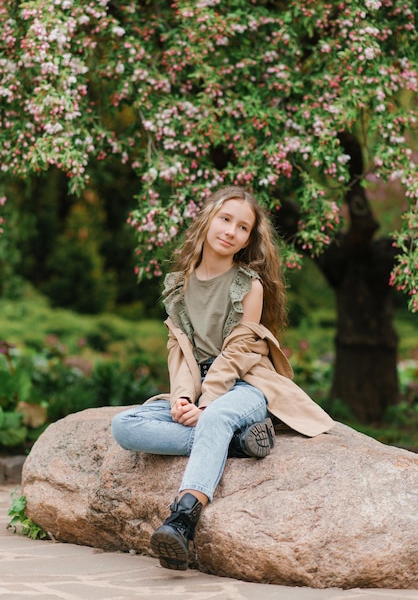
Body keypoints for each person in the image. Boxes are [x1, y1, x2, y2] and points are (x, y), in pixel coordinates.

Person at [111, 186, 334, 571]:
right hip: (199, 389)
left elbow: (237, 355)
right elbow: (179, 351)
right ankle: (235, 445)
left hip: (246, 387)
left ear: (249, 240)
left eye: (243, 227)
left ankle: (182, 519)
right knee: (124, 426)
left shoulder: (248, 286)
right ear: (208, 219)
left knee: (214, 419)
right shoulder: (179, 285)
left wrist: (207, 405)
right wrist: (183, 398)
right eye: (226, 219)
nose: (231, 231)